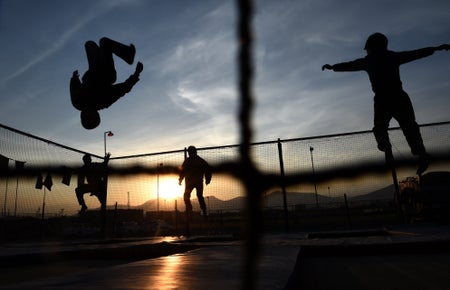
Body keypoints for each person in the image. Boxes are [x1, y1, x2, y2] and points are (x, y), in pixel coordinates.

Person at [322, 32, 450, 175]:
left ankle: (388, 147)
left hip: (383, 99)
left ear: (372, 47)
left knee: (382, 128)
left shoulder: (369, 61)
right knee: (409, 127)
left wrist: (333, 67)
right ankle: (420, 154)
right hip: (398, 97)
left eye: (368, 49)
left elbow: (350, 65)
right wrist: (437, 48)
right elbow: (416, 53)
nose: (367, 51)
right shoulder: (392, 57)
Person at [70, 37, 143, 130]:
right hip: (106, 73)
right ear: (96, 113)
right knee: (104, 42)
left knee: (89, 44)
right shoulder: (103, 100)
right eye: (88, 115)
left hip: (93, 70)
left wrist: (74, 78)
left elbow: (74, 89)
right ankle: (128, 54)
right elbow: (123, 88)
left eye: (83, 115)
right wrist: (136, 73)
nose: (85, 112)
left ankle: (125, 54)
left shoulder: (78, 102)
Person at [178, 146, 212, 216]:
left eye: (189, 152)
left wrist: (180, 179)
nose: (189, 153)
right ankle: (196, 210)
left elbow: (182, 171)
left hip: (194, 182)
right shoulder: (195, 160)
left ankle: (193, 210)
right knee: (196, 196)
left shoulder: (194, 160)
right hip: (194, 182)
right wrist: (207, 179)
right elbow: (183, 171)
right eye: (189, 152)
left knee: (192, 196)